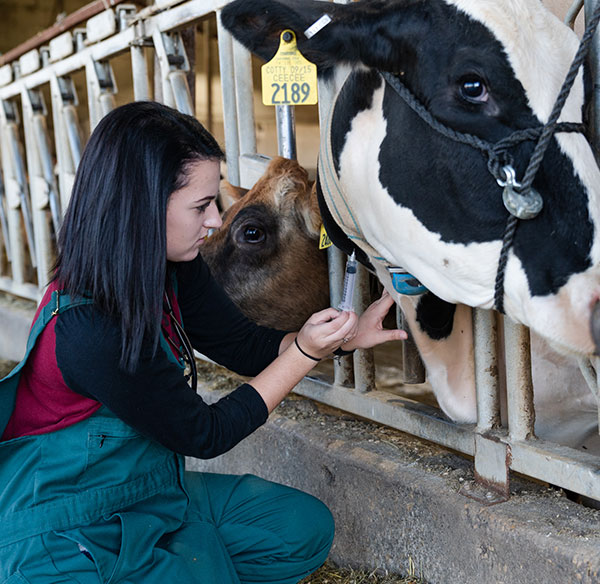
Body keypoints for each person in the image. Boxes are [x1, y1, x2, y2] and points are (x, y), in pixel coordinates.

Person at [0, 101, 406, 583]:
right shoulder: (88, 327)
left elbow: (242, 345)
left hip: (147, 492)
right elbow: (204, 434)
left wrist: (337, 339)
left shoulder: (173, 266)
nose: (215, 220)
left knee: (300, 528)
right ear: (144, 205)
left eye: (215, 202)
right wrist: (303, 356)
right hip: (62, 531)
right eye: (201, 206)